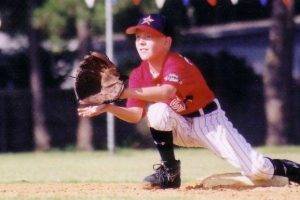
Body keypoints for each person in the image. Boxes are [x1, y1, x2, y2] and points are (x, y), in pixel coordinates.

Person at [78, 14, 300, 189]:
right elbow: (136, 115)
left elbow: (166, 92)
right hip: (180, 126)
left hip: (210, 122)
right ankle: (170, 172)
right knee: (157, 112)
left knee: (258, 170)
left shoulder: (175, 62)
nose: (141, 43)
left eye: (149, 36)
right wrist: (109, 106)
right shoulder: (138, 74)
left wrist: (122, 93)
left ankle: (294, 172)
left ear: (166, 42)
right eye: (138, 37)